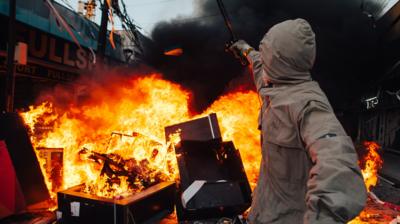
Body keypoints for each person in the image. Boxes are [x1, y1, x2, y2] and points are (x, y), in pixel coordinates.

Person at [229, 18, 367, 224]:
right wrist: (245, 50)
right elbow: (258, 62)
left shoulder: (309, 105)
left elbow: (338, 163)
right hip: (262, 211)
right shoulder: (272, 85)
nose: (264, 62)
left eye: (269, 56)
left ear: (280, 61)